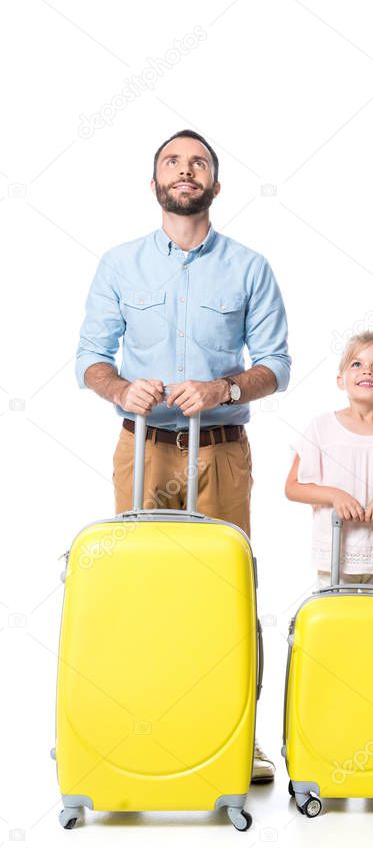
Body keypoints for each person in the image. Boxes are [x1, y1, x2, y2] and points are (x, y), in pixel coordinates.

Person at [75, 128, 291, 782]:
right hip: (144, 451)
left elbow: (275, 365)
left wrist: (224, 386)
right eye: (172, 160)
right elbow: (91, 359)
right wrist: (120, 386)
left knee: (226, 591)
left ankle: (237, 735)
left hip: (220, 454)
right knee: (142, 591)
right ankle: (148, 726)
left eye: (198, 162)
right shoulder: (119, 264)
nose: (185, 169)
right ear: (155, 184)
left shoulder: (249, 267)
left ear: (216, 185)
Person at [285, 331, 373, 589]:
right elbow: (292, 487)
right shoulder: (322, 427)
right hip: (334, 554)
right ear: (340, 380)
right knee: (336, 623)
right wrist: (333, 495)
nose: (367, 371)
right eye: (357, 364)